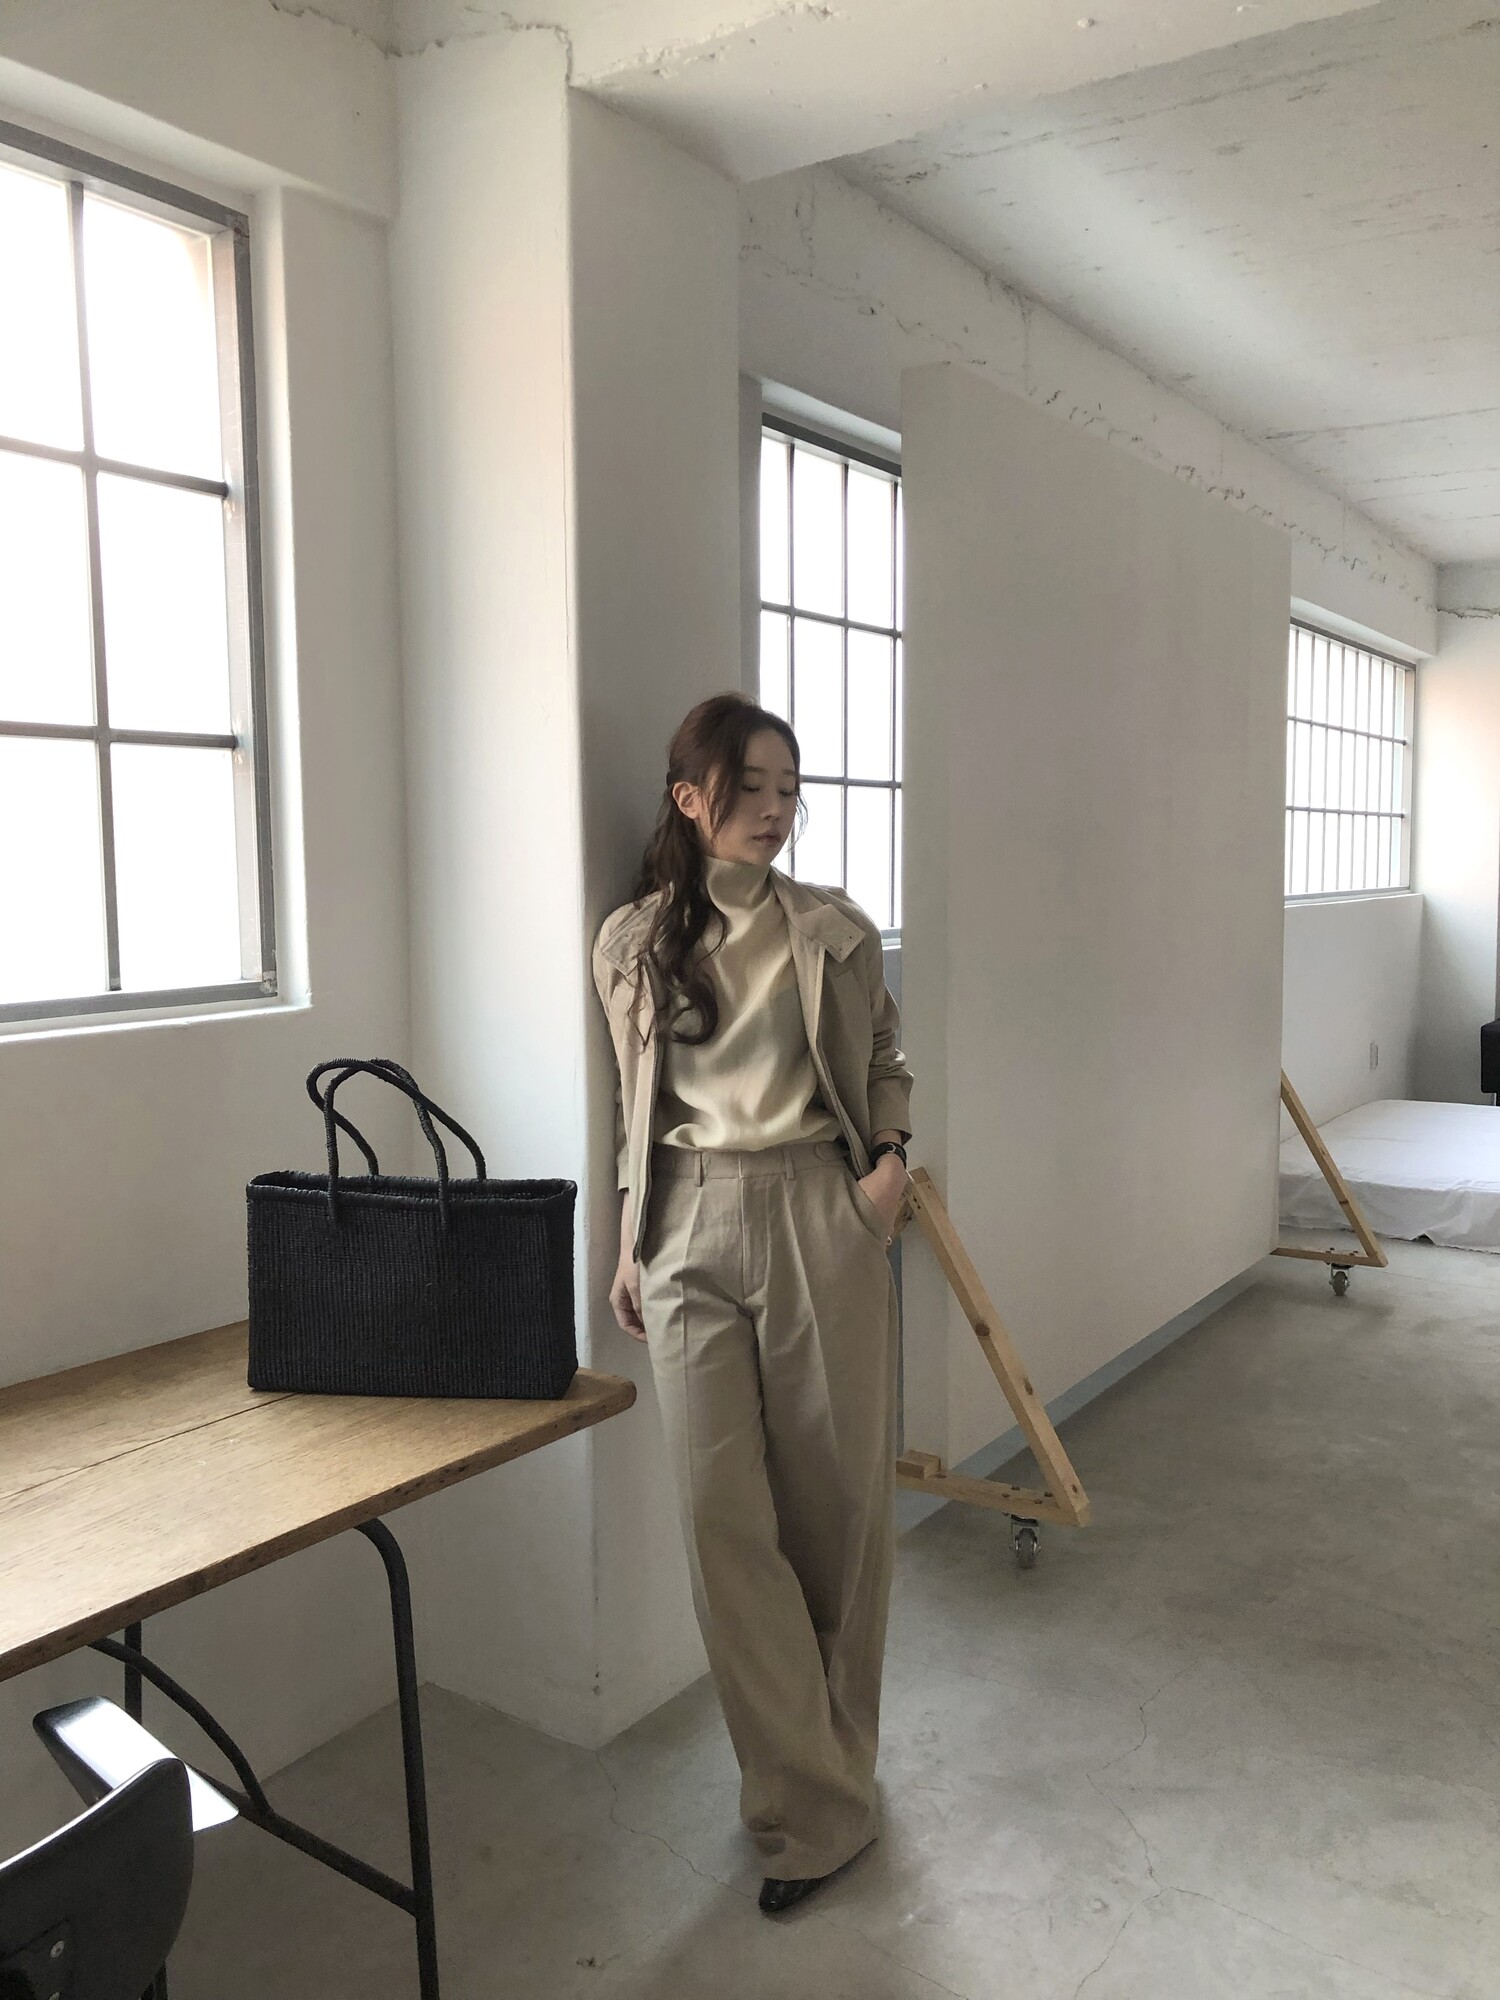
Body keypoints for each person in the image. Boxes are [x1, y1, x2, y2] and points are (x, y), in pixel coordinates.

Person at [591, 691, 914, 1915]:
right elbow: (629, 1097)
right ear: (691, 797)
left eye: (790, 787)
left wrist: (889, 1167)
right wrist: (629, 1236)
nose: (776, 808)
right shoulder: (632, 940)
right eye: (752, 786)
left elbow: (882, 1055)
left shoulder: (832, 926)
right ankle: (808, 1799)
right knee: (721, 1521)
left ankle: (831, 1780)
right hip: (684, 1222)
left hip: (817, 1207)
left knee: (837, 1512)